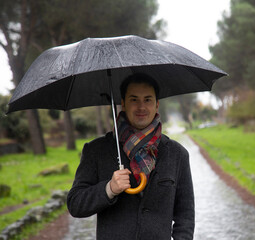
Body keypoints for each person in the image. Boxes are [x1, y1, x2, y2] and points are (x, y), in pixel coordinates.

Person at [67, 73, 195, 240]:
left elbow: (185, 216)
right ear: (124, 104)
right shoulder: (96, 150)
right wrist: (109, 189)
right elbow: (75, 204)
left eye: (147, 100)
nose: (141, 107)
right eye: (134, 99)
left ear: (157, 105)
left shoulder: (177, 154)